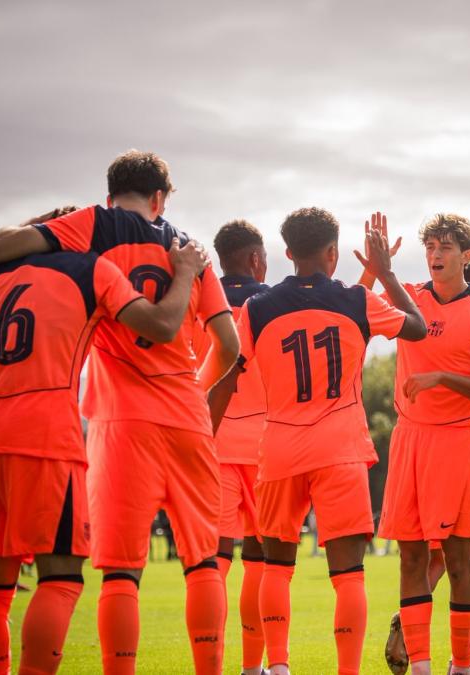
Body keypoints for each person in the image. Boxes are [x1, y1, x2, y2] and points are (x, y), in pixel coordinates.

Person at [0, 207, 206, 674]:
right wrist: (185, 274)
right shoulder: (92, 269)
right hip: (47, 439)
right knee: (61, 581)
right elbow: (161, 326)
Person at [0, 151, 240, 674]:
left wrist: (45, 224)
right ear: (161, 198)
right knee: (204, 561)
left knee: (122, 572)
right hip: (186, 412)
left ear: (109, 193)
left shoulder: (92, 225)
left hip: (120, 420)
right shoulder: (187, 246)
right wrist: (194, 386)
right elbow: (229, 345)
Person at [213, 209, 425, 675]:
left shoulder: (257, 308)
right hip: (341, 449)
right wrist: (384, 273)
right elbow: (417, 326)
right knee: (347, 575)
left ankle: (279, 667)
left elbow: (228, 380)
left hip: (280, 448)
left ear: (286, 253)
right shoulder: (356, 299)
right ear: (334, 252)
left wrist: (201, 438)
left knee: (276, 566)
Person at [371, 213, 470, 675]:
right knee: (410, 555)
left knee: (458, 557)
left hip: (456, 441)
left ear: (466, 256)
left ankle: (462, 666)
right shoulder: (408, 297)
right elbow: (353, 309)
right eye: (430, 246)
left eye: (446, 247)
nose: (436, 254)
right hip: (409, 440)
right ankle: (423, 667)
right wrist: (377, 269)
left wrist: (442, 378)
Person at [202, 218, 271, 675]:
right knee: (261, 567)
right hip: (267, 449)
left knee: (215, 567)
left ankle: (210, 667)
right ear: (255, 260)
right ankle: (253, 669)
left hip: (212, 443)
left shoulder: (198, 301)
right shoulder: (272, 303)